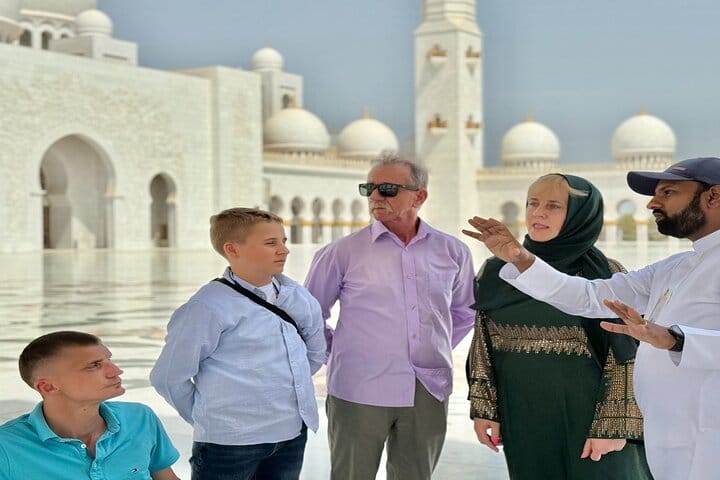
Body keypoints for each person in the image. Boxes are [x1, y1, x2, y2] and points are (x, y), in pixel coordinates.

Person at [462, 157, 720, 480]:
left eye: (668, 193)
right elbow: (587, 296)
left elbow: (634, 350)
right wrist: (519, 257)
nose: (652, 203)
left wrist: (675, 339)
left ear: (714, 196)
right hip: (675, 434)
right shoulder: (674, 267)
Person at [466, 174, 652, 479]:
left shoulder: (605, 273)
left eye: (553, 206)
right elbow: (483, 343)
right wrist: (485, 408)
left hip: (591, 418)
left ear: (581, 215)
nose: (538, 213)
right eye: (532, 203)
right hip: (524, 413)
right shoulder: (498, 270)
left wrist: (614, 426)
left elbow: (626, 353)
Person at [305, 155, 476, 480]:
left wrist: (430, 349)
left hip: (427, 389)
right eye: (368, 188)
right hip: (359, 388)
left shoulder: (453, 251)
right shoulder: (341, 252)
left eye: (386, 189)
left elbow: (464, 311)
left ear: (419, 196)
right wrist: (341, 354)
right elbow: (310, 316)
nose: (374, 197)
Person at [150, 208, 325, 480]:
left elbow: (313, 354)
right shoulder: (208, 306)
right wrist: (211, 417)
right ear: (232, 249)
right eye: (271, 243)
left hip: (290, 434)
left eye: (283, 241)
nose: (284, 250)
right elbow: (169, 376)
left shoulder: (297, 297)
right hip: (229, 444)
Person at [0, 331, 180, 480]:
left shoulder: (139, 418)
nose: (116, 371)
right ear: (47, 387)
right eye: (94, 366)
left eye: (109, 360)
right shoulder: (6, 446)